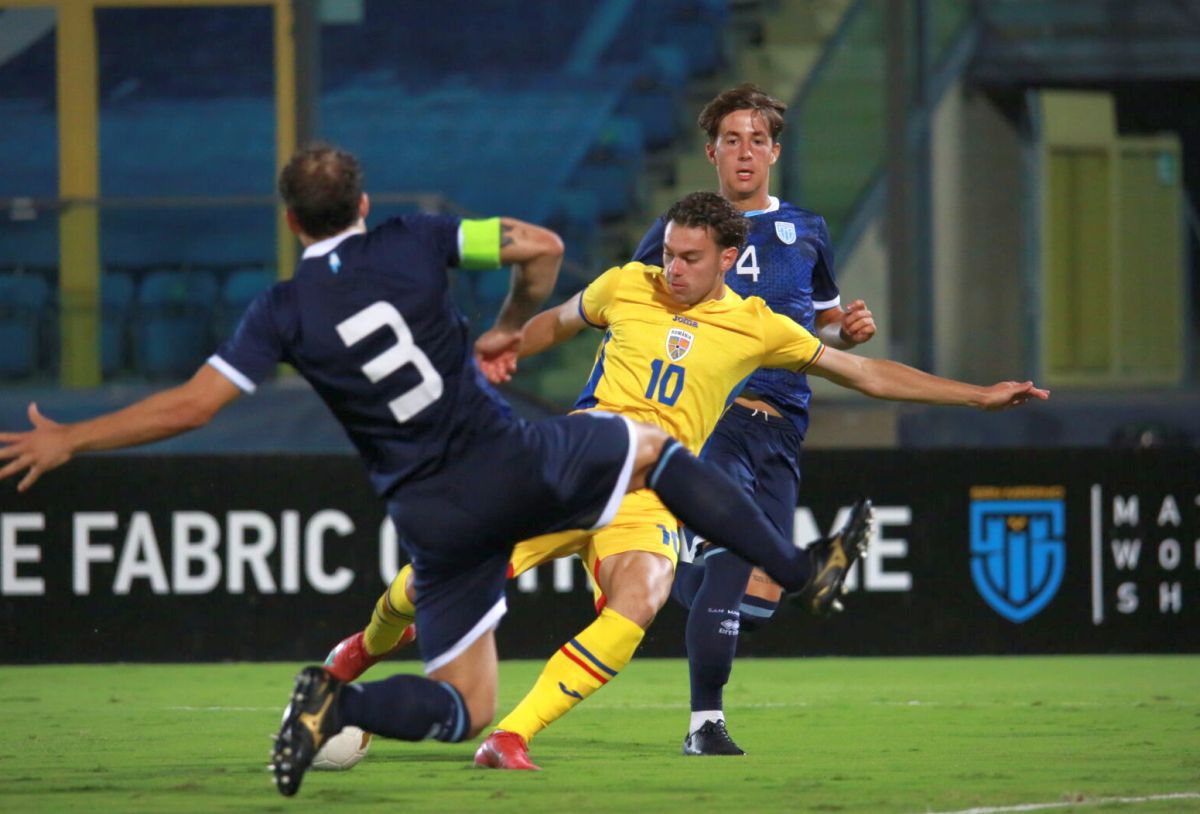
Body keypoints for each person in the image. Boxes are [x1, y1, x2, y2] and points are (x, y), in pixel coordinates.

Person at [0, 146, 868, 797]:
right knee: (654, 448)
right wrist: (510, 323)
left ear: (292, 223)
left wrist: (71, 440)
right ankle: (800, 570)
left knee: (466, 702)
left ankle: (340, 698)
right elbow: (539, 246)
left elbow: (190, 408)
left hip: (429, 506)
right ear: (363, 205)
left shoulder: (281, 311)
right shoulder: (414, 240)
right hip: (503, 457)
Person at [330, 191, 1047, 771]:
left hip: (650, 492)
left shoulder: (758, 326)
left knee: (641, 597)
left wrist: (977, 396)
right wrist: (500, 349)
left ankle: (511, 735)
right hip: (573, 464)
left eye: (690, 258)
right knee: (430, 585)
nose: (671, 267)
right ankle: (358, 651)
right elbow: (555, 322)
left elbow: (864, 372)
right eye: (669, 252)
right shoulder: (626, 284)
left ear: (728, 258)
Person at [631, 83, 876, 755]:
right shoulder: (679, 231)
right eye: (731, 140)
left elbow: (823, 324)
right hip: (712, 421)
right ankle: (704, 724)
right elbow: (634, 309)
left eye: (757, 140)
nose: (745, 152)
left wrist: (848, 331)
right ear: (711, 153)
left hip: (783, 428)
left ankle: (657, 576)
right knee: (734, 554)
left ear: (775, 151)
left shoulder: (809, 230)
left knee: (755, 601)